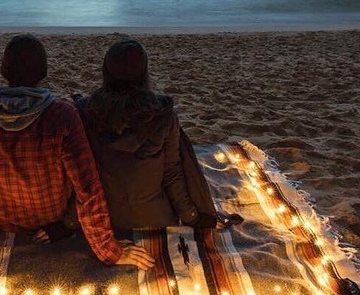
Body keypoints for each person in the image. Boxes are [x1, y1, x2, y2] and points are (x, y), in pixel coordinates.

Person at [0, 34, 154, 277]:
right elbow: (88, 188)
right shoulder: (61, 116)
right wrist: (110, 251)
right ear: (43, 73)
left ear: (4, 71)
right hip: (49, 216)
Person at [74, 38, 242, 232]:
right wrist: (192, 216)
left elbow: (77, 170)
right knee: (181, 147)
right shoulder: (163, 113)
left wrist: (69, 222)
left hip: (103, 216)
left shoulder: (84, 111)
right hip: (156, 216)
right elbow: (172, 171)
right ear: (144, 73)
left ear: (106, 71)